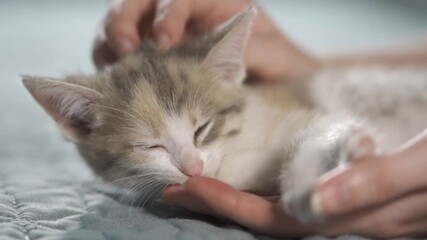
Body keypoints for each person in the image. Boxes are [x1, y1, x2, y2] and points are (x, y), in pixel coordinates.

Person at [93, 0, 427, 237]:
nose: (192, 168)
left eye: (203, 129)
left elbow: (315, 128)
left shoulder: (248, 110)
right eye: (152, 146)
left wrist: (312, 165)